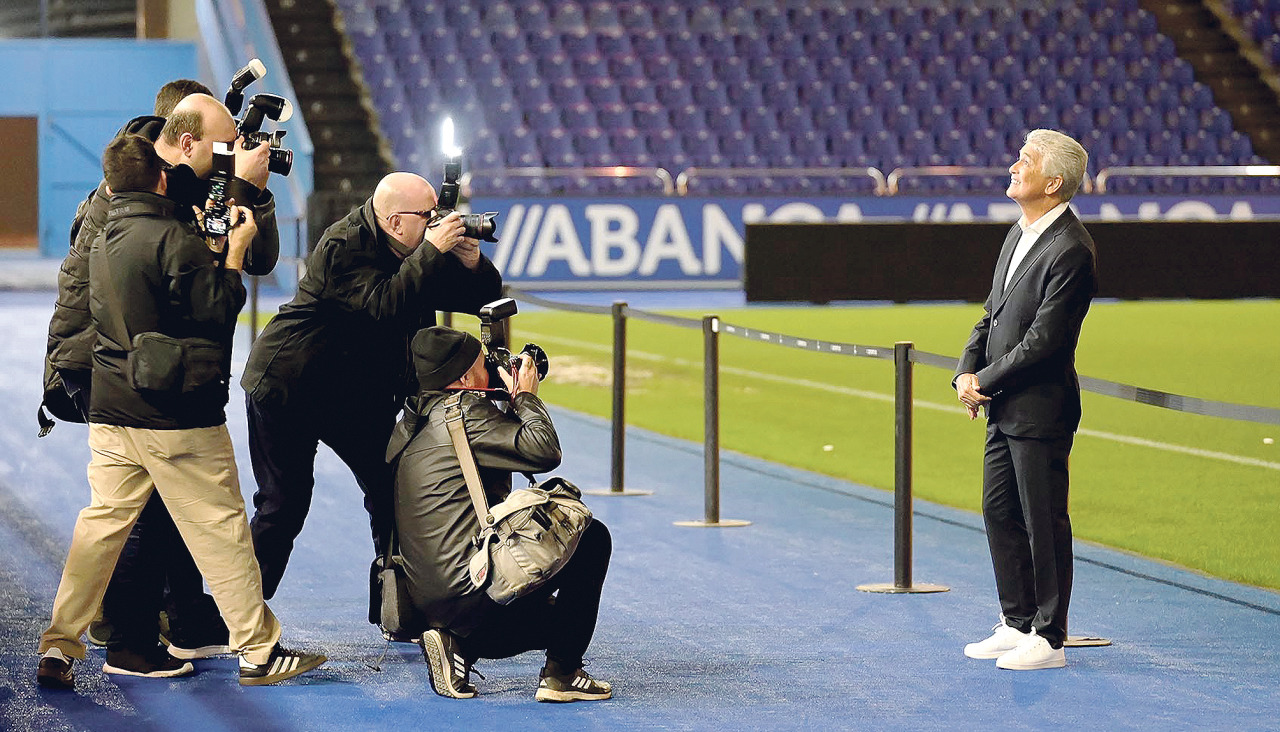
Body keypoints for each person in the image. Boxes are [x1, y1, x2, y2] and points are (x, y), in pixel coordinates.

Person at [36, 134, 325, 689]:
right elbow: (218, 309)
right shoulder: (173, 238)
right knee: (222, 528)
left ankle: (58, 646)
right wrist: (234, 254)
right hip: (175, 415)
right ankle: (259, 650)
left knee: (99, 529)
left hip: (111, 408)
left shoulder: (99, 237)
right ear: (162, 178)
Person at [241, 172, 503, 602]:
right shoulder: (343, 245)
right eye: (428, 215)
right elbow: (383, 306)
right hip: (291, 386)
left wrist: (470, 259)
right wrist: (433, 252)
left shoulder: (417, 247)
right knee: (282, 506)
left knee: (395, 493)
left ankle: (400, 602)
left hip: (355, 396)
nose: (439, 221)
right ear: (396, 222)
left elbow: (478, 297)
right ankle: (243, 614)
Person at [387, 326, 613, 702]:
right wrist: (525, 397)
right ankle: (563, 675)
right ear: (461, 378)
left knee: (552, 611)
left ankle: (456, 645)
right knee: (589, 536)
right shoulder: (466, 413)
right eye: (483, 363)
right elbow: (543, 451)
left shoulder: (414, 421)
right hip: (475, 596)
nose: (492, 368)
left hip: (428, 603)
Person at [954, 129, 1098, 671]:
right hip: (1002, 405)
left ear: (1053, 181)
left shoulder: (1072, 249)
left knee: (1043, 520)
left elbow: (1046, 341)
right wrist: (967, 369)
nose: (1015, 166)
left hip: (1040, 408)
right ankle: (1016, 622)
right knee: (999, 513)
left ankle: (1050, 636)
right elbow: (991, 314)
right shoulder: (1019, 233)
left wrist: (984, 380)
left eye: (1026, 161)